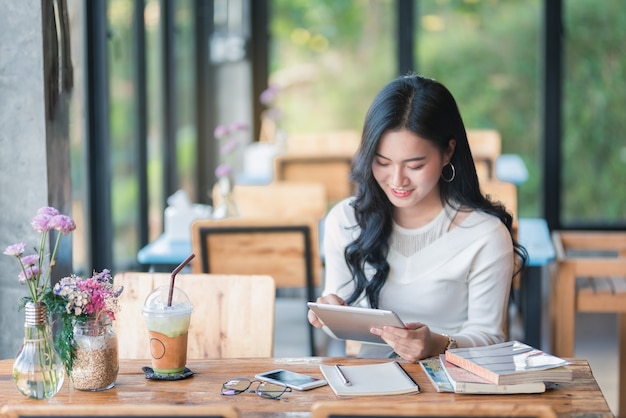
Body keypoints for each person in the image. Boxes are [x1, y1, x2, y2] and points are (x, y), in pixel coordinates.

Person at [308, 74, 527, 362]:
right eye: (383, 163)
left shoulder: (485, 234)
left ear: (448, 152)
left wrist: (437, 344)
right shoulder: (347, 220)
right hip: (369, 385)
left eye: (415, 165)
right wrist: (329, 311)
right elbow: (341, 314)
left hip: (454, 388)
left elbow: (490, 337)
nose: (397, 180)